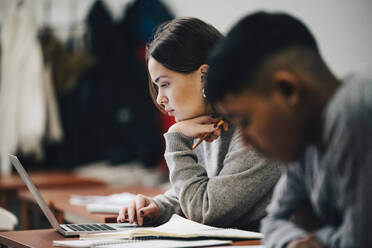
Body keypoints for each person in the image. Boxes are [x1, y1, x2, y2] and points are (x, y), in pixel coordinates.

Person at [205, 11, 372, 248]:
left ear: (288, 91)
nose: (246, 142)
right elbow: (273, 222)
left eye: (245, 121)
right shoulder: (305, 145)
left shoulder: (353, 107)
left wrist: (319, 237)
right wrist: (304, 237)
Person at [116, 17, 281, 231]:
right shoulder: (210, 122)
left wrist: (176, 139)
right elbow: (199, 190)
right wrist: (158, 206)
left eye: (165, 84)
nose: (160, 99)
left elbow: (205, 210)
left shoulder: (257, 131)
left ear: (205, 75)